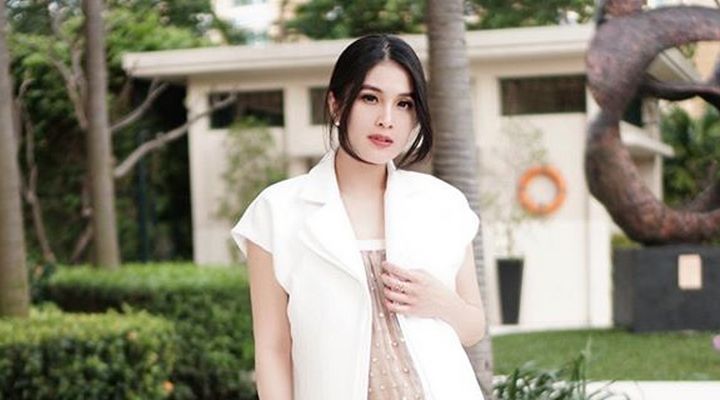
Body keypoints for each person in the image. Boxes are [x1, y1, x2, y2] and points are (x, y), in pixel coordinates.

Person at [231, 34, 487, 400]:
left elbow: (473, 327)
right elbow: (273, 349)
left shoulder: (443, 204)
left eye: (404, 104)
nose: (387, 120)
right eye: (370, 98)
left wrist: (441, 302)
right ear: (336, 105)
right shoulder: (277, 211)